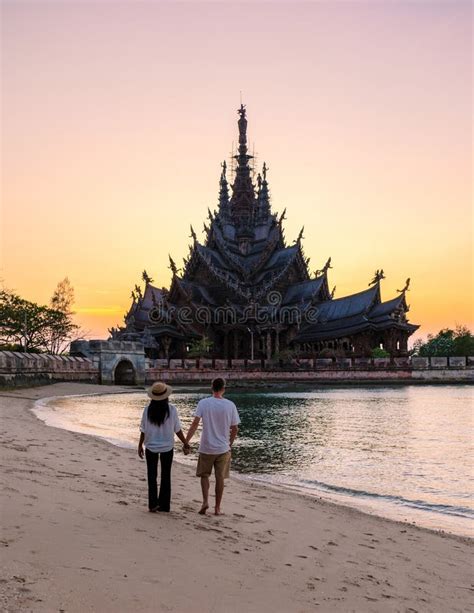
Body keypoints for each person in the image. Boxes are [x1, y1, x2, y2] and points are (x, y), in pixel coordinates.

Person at [184, 377, 240, 515]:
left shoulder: (203, 403)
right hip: (223, 448)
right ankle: (217, 507)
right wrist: (229, 444)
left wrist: (186, 441)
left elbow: (195, 424)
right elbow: (235, 428)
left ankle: (205, 502)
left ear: (211, 387)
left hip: (207, 446)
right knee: (220, 477)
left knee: (204, 476)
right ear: (223, 389)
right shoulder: (230, 405)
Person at [138, 381, 189, 512]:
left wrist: (140, 445)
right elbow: (177, 429)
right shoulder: (171, 410)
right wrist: (185, 442)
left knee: (152, 476)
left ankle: (152, 504)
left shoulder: (147, 410)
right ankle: (164, 505)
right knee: (166, 475)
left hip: (151, 447)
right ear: (166, 396)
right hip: (167, 447)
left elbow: (143, 429)